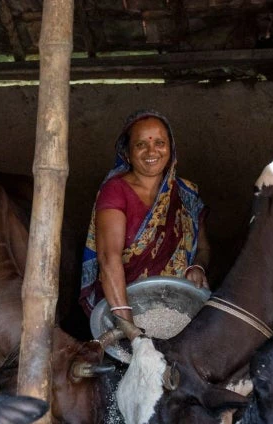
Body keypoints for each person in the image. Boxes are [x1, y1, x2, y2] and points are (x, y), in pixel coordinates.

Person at [78, 110, 210, 321]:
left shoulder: (186, 194)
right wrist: (131, 330)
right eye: (141, 144)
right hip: (123, 304)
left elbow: (202, 248)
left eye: (160, 143)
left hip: (177, 306)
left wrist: (197, 267)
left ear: (171, 149)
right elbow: (108, 258)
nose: (152, 151)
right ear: (127, 153)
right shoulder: (116, 191)